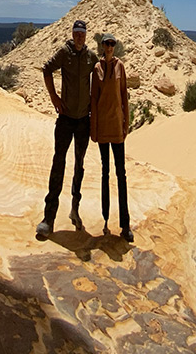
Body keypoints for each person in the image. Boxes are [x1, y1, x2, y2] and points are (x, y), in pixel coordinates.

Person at [37, 19, 98, 239]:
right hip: (65, 118)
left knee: (79, 166)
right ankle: (48, 218)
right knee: (58, 164)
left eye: (82, 33)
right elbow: (47, 69)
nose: (79, 37)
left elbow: (101, 78)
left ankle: (75, 210)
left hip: (83, 120)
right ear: (73, 34)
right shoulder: (65, 52)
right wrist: (54, 96)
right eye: (77, 33)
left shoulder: (92, 58)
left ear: (86, 35)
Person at [92, 33, 132, 242]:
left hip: (116, 127)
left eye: (112, 44)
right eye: (106, 44)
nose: (109, 47)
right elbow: (94, 98)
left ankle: (125, 225)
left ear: (115, 47)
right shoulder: (97, 68)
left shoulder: (120, 67)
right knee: (105, 172)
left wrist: (127, 122)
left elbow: (124, 95)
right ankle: (105, 219)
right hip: (103, 128)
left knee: (121, 174)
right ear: (102, 46)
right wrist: (94, 129)